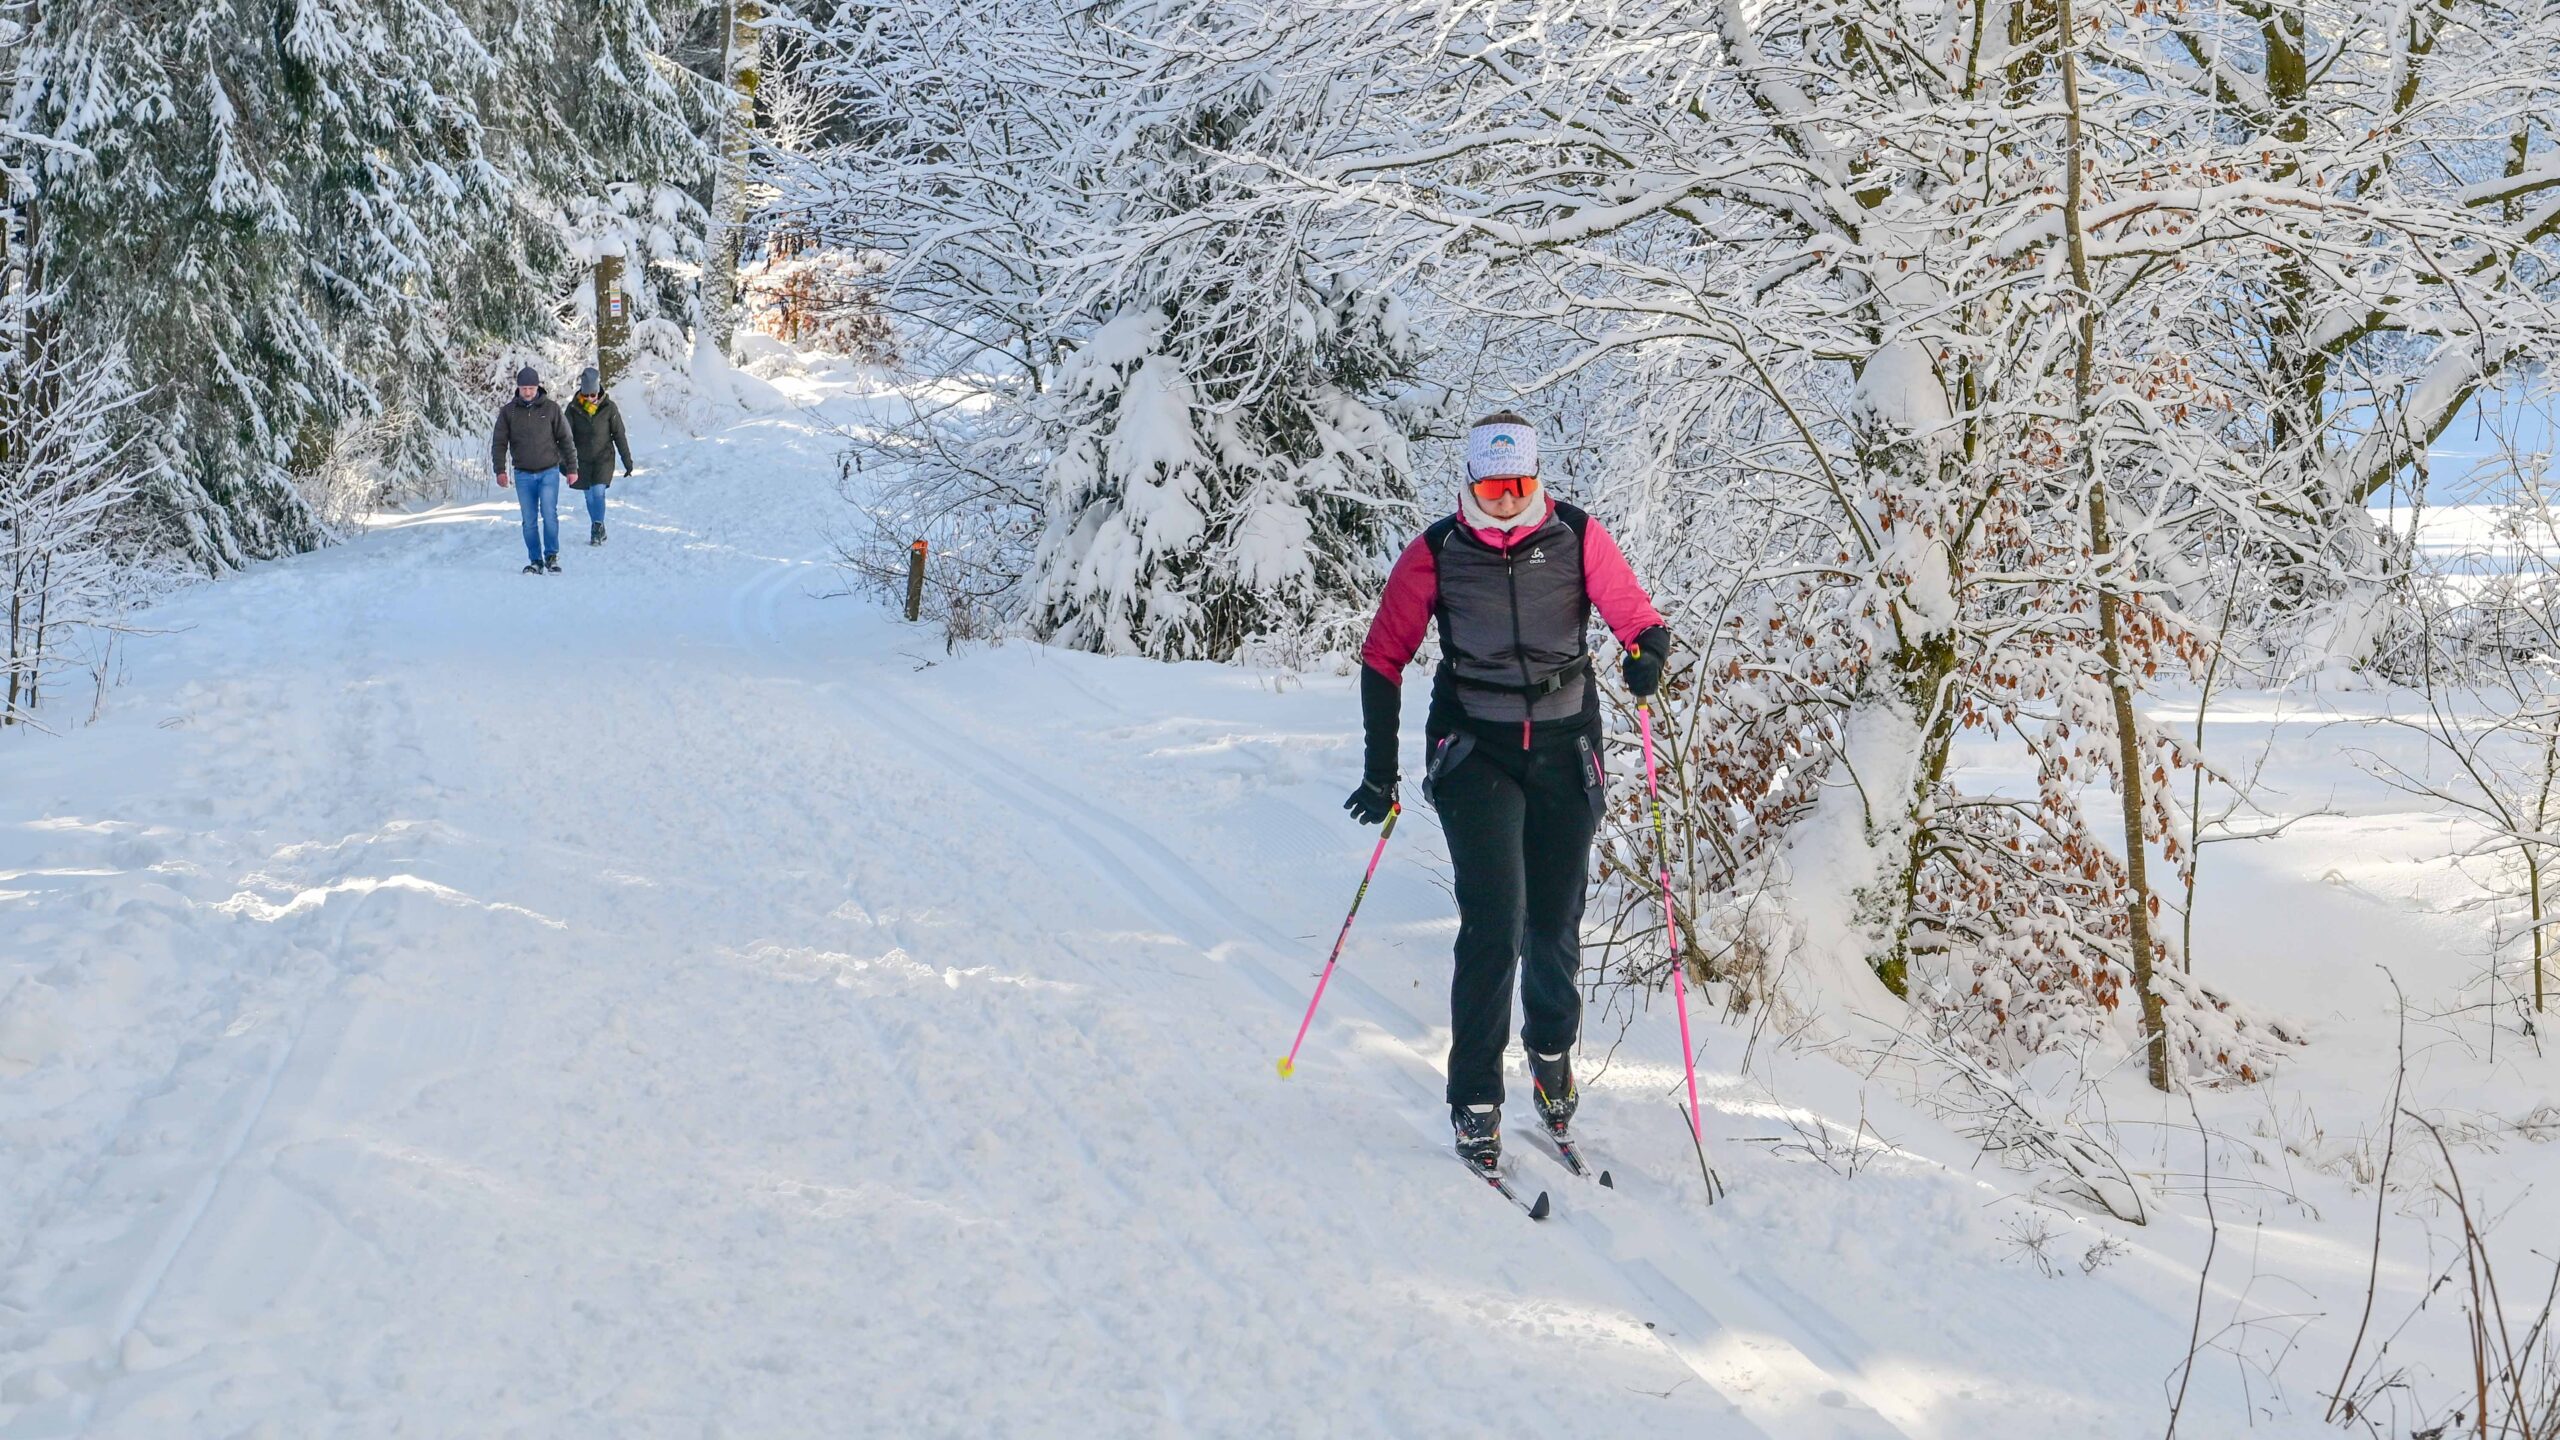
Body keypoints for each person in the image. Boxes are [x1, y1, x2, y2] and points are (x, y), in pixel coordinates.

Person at [1350, 412, 1672, 1176]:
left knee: (1555, 917)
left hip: (1565, 745)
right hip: (1474, 747)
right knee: (1497, 920)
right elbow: (1382, 655)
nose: (1505, 500)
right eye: (1492, 486)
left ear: (1537, 480)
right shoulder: (1437, 552)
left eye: (1518, 485)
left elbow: (1637, 615)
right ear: (1469, 482)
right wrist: (1379, 770)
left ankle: (1551, 1052)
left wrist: (1646, 654)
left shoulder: (1575, 536)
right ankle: (1475, 1098)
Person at [492, 366, 578, 574]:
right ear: (518, 389)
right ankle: (535, 560)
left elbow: (566, 439)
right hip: (523, 474)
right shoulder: (509, 412)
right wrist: (500, 470)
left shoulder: (551, 409)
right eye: (524, 388)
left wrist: (572, 468)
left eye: (531, 388)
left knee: (549, 514)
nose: (528, 392)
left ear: (538, 387)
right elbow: (499, 442)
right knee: (529, 520)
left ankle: (551, 556)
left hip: (549, 471)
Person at [563, 366, 634, 546]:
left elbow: (619, 434)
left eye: (593, 395)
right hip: (582, 460)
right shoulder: (573, 409)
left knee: (598, 492)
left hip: (604, 458)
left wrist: (627, 461)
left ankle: (597, 526)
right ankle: (598, 526)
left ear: (598, 391)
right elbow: (564, 437)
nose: (590, 399)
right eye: (586, 395)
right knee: (588, 495)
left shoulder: (609, 408)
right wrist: (563, 462)